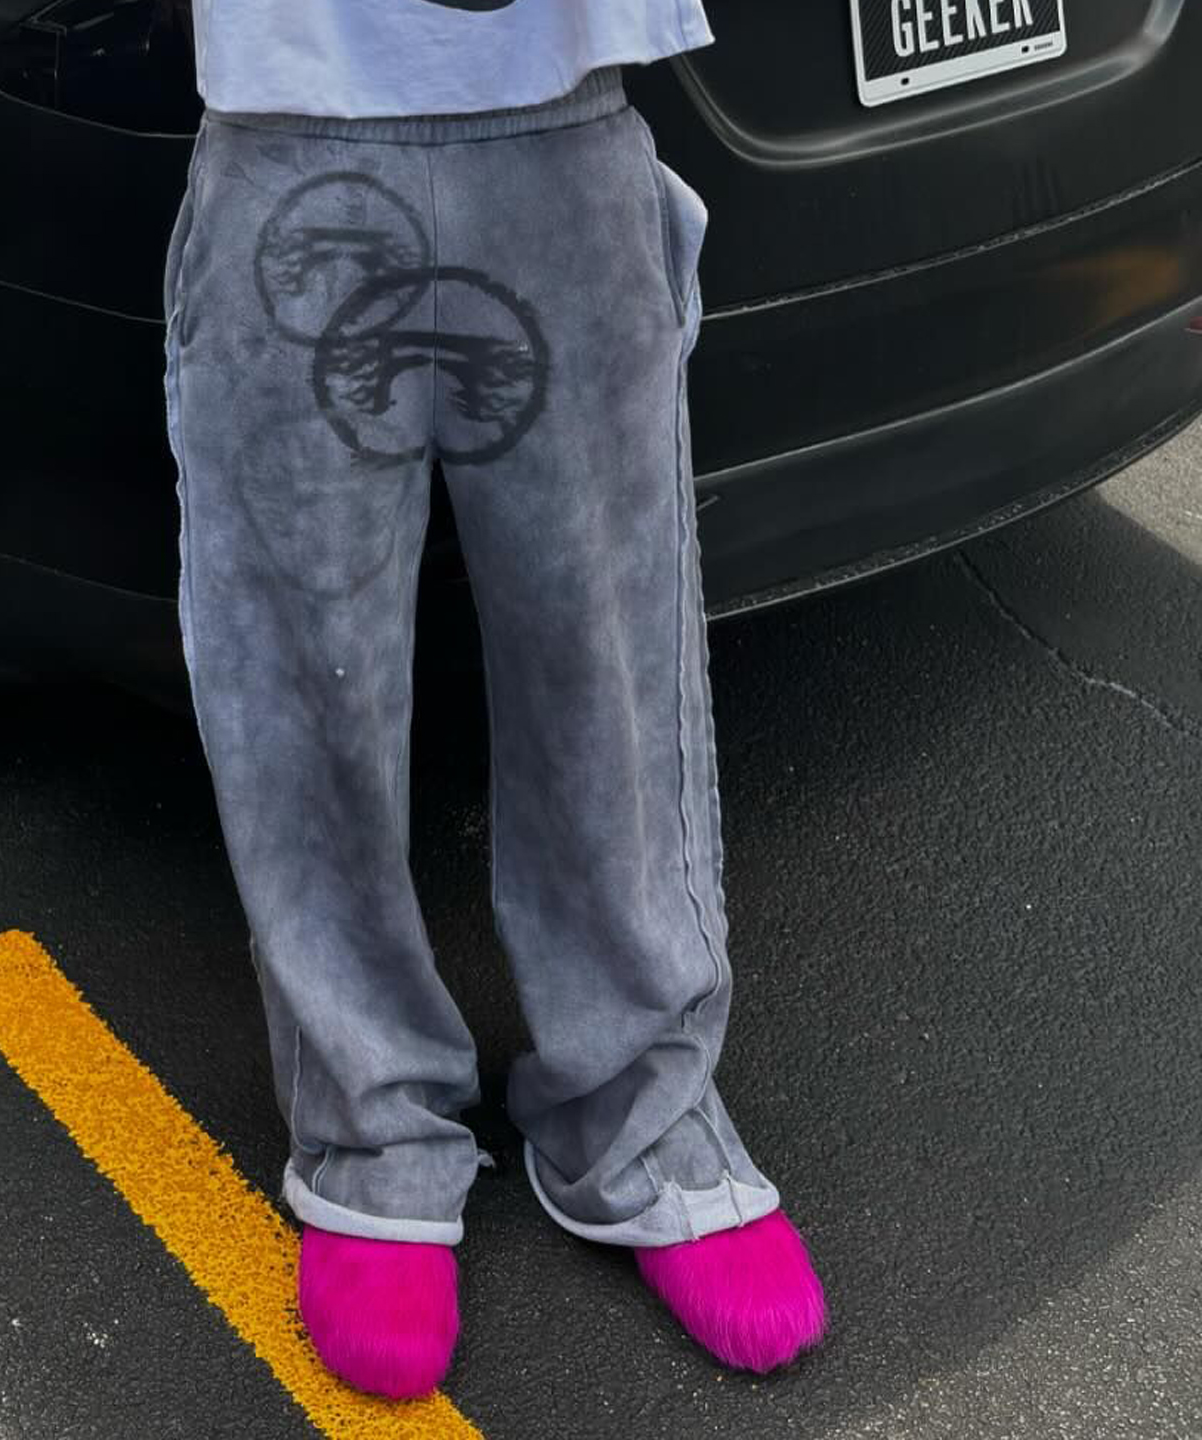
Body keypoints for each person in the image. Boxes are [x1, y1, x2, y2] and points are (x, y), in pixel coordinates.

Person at [161, 0, 828, 1400]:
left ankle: (638, 1111)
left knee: (607, 660)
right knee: (302, 677)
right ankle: (369, 1130)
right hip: (291, 111)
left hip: (561, 112)